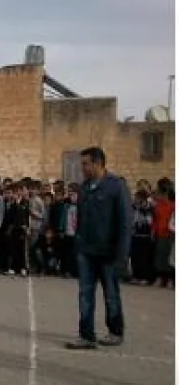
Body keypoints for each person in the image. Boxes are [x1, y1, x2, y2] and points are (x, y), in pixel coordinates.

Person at [66, 147, 131, 350]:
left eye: (85, 164)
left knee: (111, 294)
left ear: (97, 163)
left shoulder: (116, 186)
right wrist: (78, 247)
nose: (82, 168)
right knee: (85, 294)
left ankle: (115, 331)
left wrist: (122, 255)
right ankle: (86, 335)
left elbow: (125, 223)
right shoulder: (84, 187)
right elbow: (81, 220)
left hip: (108, 251)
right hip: (86, 251)